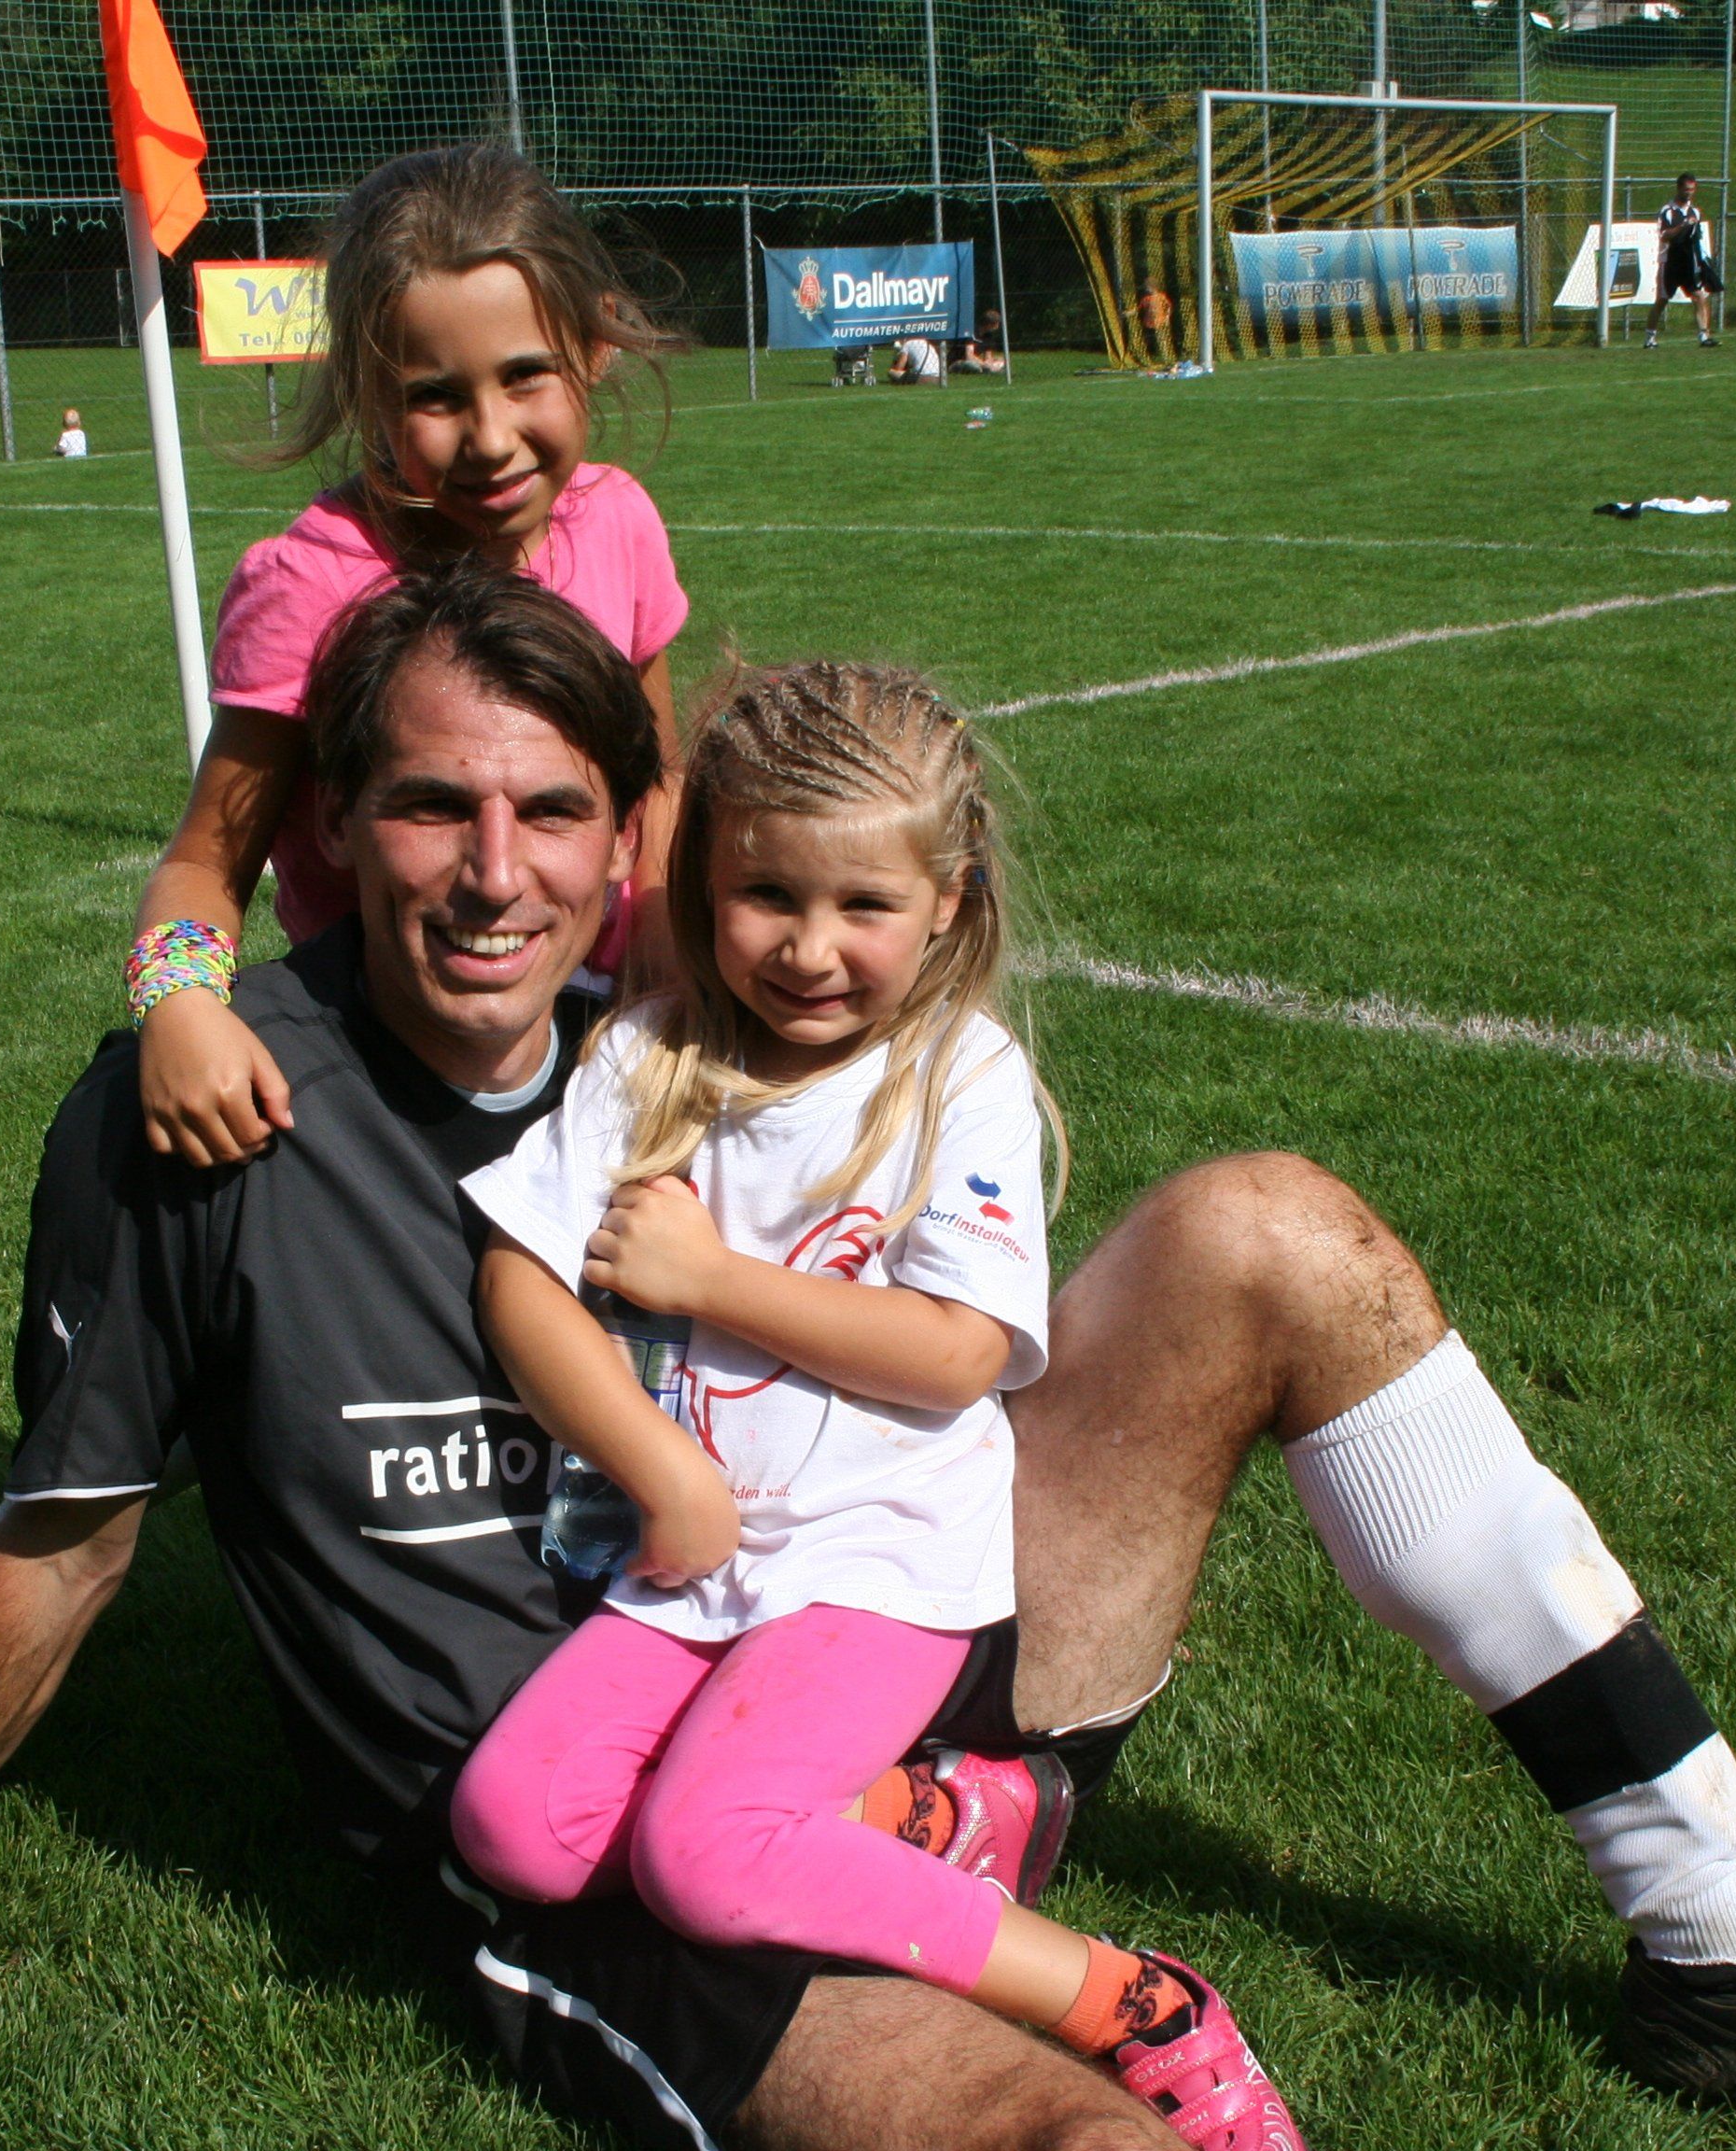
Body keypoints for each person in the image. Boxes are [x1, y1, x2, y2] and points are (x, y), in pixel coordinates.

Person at [0, 563, 1736, 2151]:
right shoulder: (210, 1113)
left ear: (634, 850)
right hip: (609, 1833)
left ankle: (1733, 1953)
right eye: (427, 811)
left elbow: (855, 959)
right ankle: (1082, 1968)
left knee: (1274, 1231)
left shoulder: (670, 1020)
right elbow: (62, 1539)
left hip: (881, 1651)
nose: (492, 874)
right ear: (329, 832)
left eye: (553, 818)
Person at [0, 140, 700, 1738]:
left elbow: (651, 791)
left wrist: (670, 992)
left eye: (524, 377)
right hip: (384, 1077)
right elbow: (201, 863)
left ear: (592, 353)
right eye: (433, 395)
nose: (489, 436)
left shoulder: (619, 524)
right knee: (219, 1352)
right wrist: (180, 1008)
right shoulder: (314, 585)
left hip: (591, 1045)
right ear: (364, 394)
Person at [451, 659, 1304, 2150]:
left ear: (948, 903)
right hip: (693, 1564)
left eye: (864, 905)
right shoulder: (650, 1054)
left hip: (878, 1565)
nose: (809, 948)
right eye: (766, 895)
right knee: (514, 1828)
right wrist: (661, 1468)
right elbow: (519, 1278)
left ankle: (1127, 1999)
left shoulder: (955, 1072)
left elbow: (960, 1350)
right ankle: (913, 1821)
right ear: (704, 878)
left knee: (706, 1858)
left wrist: (711, 1280)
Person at [1649, 176, 1718, 349]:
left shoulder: (1695, 212)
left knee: (1699, 296)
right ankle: (1650, 337)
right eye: (1686, 189)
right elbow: (1664, 235)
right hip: (1670, 263)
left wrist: (1702, 259)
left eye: (1692, 190)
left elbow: (1696, 237)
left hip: (1688, 263)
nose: (1689, 193)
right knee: (1662, 299)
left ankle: (1704, 336)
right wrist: (1683, 226)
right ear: (1679, 188)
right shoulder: (1668, 211)